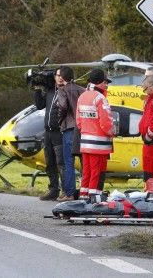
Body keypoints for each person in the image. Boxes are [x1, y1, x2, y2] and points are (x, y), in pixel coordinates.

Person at [75, 68, 114, 203]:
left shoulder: (82, 96)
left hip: (85, 142)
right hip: (99, 144)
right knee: (96, 172)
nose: (106, 85)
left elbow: (78, 122)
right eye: (105, 82)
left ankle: (83, 196)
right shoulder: (100, 98)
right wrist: (113, 132)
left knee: (87, 171)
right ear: (101, 82)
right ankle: (94, 199)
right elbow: (106, 123)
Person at [34, 68, 66, 201]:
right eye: (57, 75)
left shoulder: (66, 92)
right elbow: (39, 105)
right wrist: (36, 89)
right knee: (50, 162)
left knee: (61, 162)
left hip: (59, 132)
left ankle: (66, 190)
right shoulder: (51, 92)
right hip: (48, 132)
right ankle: (53, 189)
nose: (59, 78)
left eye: (61, 76)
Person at [57, 66, 85, 201]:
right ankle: (86, 191)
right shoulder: (82, 90)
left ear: (62, 77)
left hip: (69, 129)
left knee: (69, 162)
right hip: (83, 129)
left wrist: (59, 120)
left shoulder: (63, 91)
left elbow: (62, 106)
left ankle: (69, 193)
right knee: (84, 162)